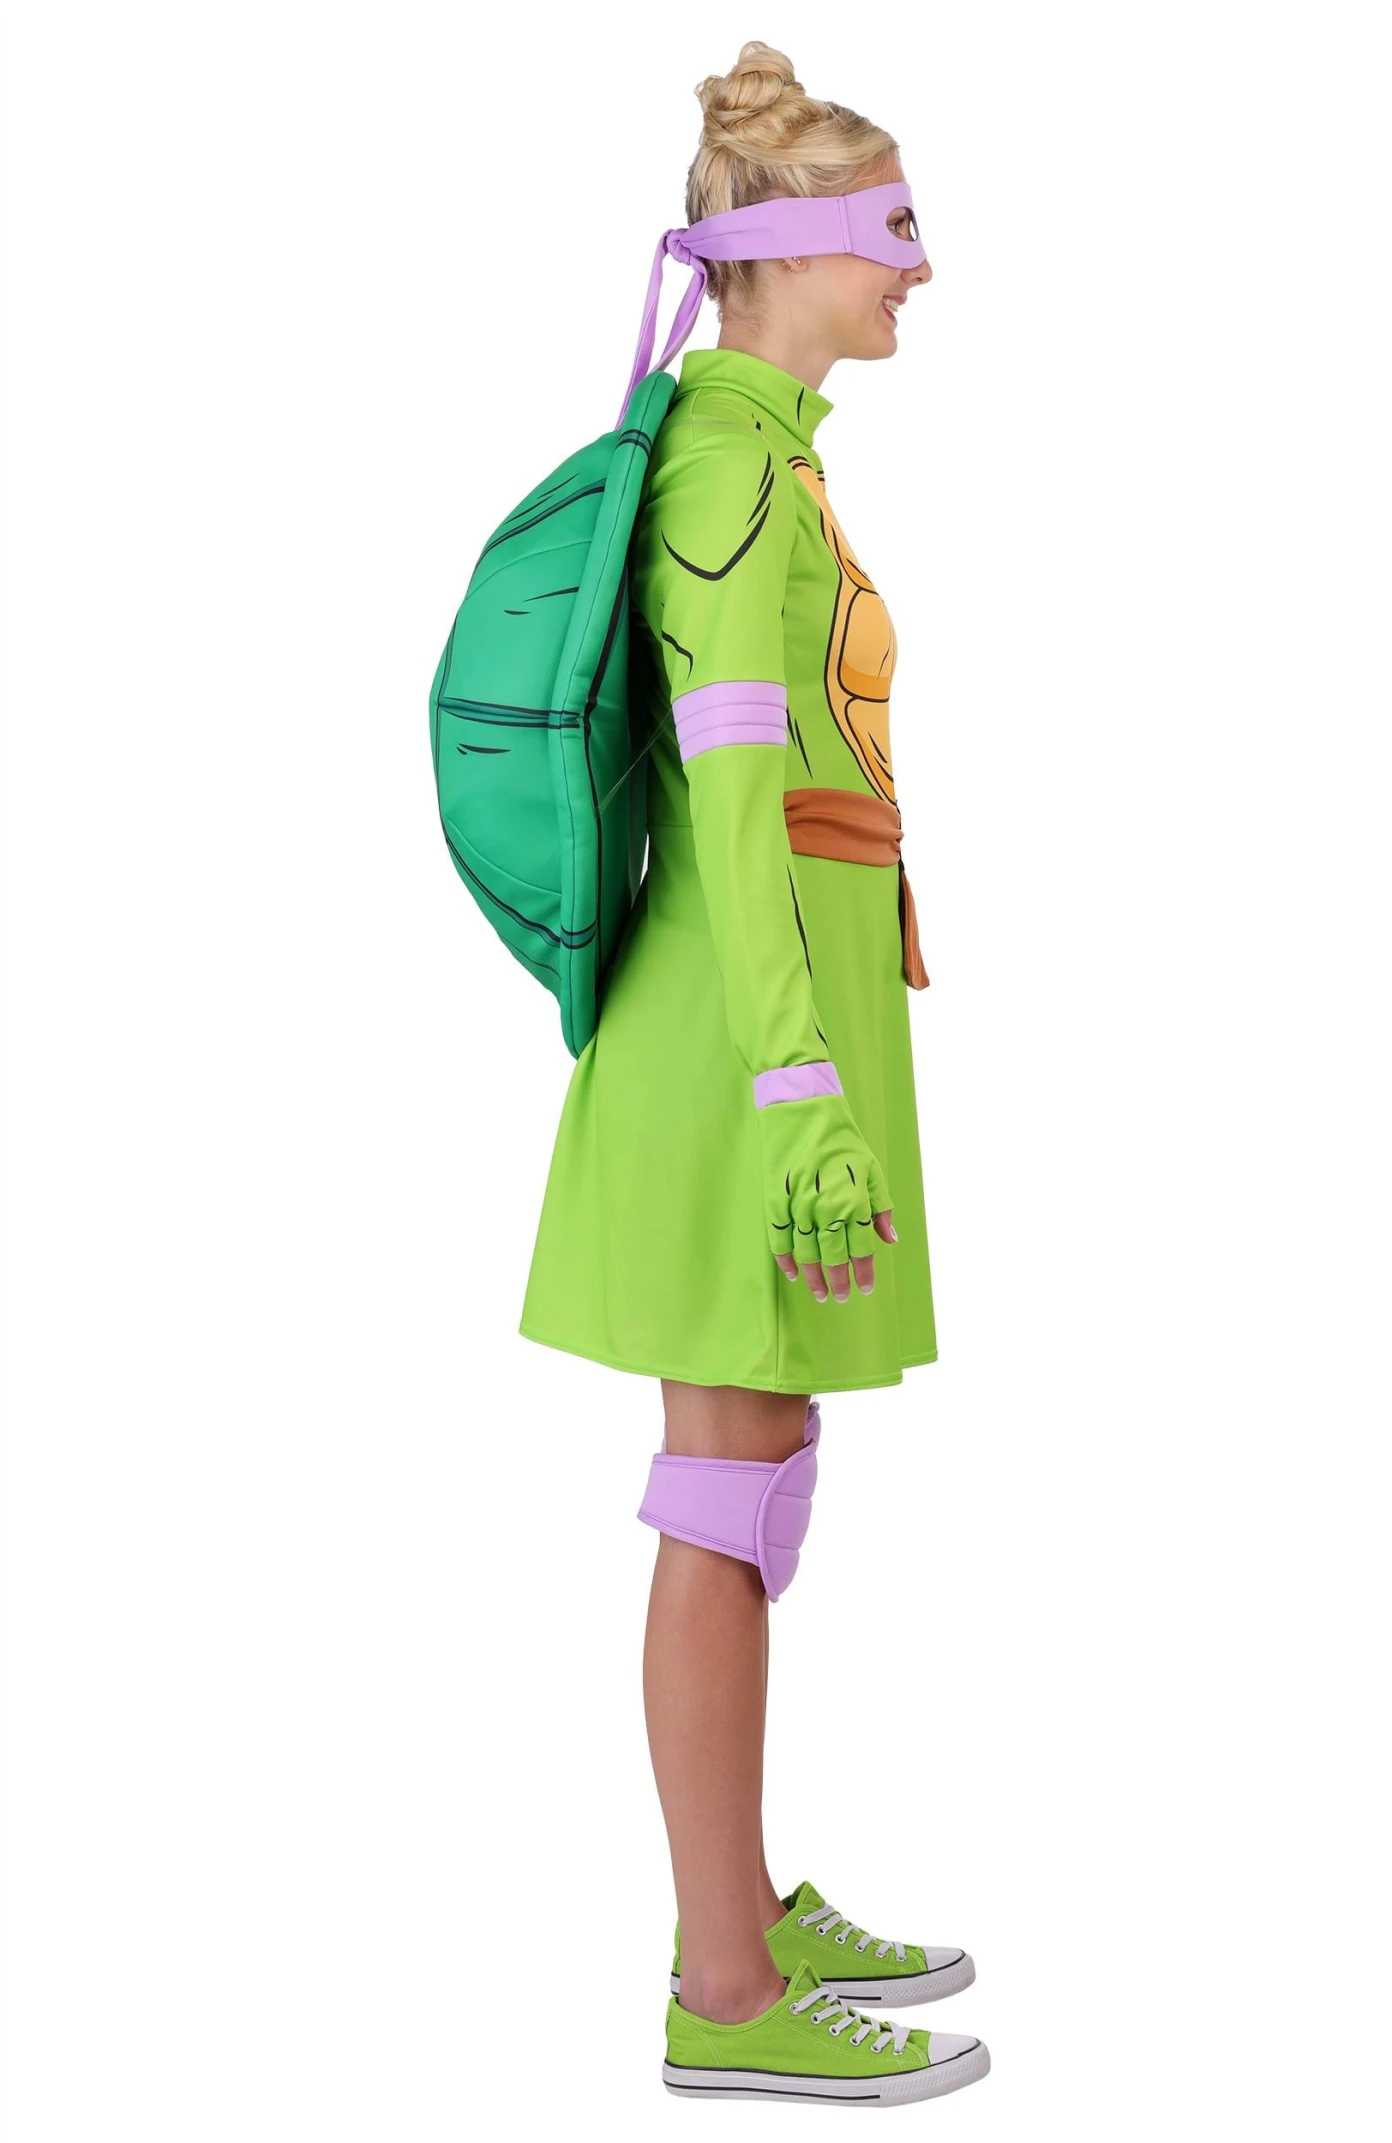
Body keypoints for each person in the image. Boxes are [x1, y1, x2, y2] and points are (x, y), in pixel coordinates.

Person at [520, 42, 990, 2106]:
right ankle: (723, 1992)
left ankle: (744, 1907)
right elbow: (728, 800)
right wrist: (797, 1081)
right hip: (740, 1047)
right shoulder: (726, 471)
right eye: (893, 230)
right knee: (723, 1490)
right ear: (786, 250)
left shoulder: (769, 456)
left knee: (760, 1474)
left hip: (774, 1025)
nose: (920, 270)